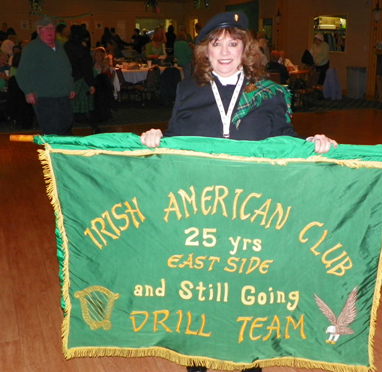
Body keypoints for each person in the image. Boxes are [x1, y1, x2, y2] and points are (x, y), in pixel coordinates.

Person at [140, 12, 337, 372]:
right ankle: (198, 359)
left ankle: (248, 360)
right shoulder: (188, 90)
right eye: (217, 44)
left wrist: (313, 142)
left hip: (252, 214)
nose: (225, 52)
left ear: (247, 48)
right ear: (205, 51)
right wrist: (157, 139)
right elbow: (174, 144)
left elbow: (285, 142)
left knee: (247, 290)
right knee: (201, 289)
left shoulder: (271, 93)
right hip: (200, 213)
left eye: (233, 43)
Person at [16, 17, 75, 135]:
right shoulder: (32, 48)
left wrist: (71, 87)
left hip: (63, 95)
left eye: (53, 28)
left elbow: (67, 68)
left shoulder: (59, 47)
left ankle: (63, 151)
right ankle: (53, 152)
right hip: (44, 96)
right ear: (39, 30)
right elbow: (22, 72)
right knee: (51, 129)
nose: (50, 31)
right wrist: (28, 91)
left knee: (66, 124)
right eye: (46, 28)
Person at [64, 25, 100, 134]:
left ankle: (68, 130)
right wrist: (91, 84)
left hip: (70, 79)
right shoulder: (82, 49)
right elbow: (86, 68)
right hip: (81, 80)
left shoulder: (65, 47)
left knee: (71, 107)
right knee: (85, 107)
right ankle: (95, 128)